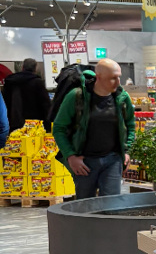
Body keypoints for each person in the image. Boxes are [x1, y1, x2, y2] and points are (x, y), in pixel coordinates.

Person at [52, 59, 135, 199]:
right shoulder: (76, 96)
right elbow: (59, 128)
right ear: (99, 77)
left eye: (119, 77)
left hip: (113, 160)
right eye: (112, 78)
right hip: (84, 162)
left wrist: (126, 151)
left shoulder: (122, 98)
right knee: (86, 208)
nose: (118, 82)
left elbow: (130, 126)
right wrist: (71, 156)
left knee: (111, 206)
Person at [2, 58, 52, 131]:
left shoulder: (11, 82)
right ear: (35, 69)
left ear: (22, 68)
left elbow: (4, 102)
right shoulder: (37, 83)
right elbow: (45, 105)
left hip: (13, 123)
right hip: (34, 124)